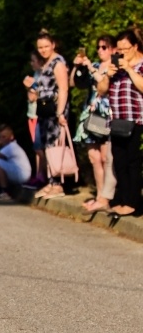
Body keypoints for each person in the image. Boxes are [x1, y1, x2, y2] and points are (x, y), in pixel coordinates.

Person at [96, 27, 143, 216]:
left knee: (133, 162)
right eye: (119, 50)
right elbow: (101, 90)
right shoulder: (114, 67)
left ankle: (134, 203)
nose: (122, 53)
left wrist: (130, 69)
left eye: (126, 49)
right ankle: (123, 200)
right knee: (119, 162)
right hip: (117, 122)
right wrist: (108, 74)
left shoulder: (140, 65)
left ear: (135, 46)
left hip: (137, 120)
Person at [72, 36, 116, 213]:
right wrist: (77, 67)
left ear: (113, 49)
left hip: (107, 114)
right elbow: (75, 84)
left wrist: (90, 67)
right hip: (91, 114)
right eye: (98, 47)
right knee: (94, 158)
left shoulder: (114, 67)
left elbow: (103, 85)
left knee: (106, 159)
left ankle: (107, 197)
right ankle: (100, 196)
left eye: (104, 47)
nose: (100, 50)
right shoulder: (95, 66)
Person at [31, 30, 69, 199]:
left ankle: (58, 183)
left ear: (53, 45)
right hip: (44, 110)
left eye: (46, 46)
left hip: (55, 110)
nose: (43, 50)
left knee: (55, 145)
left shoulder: (58, 63)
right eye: (40, 47)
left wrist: (60, 112)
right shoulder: (46, 63)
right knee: (47, 145)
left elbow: (63, 88)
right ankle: (51, 181)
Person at [0, 125, 32, 201]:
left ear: (11, 137)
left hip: (22, 175)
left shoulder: (11, 146)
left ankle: (5, 191)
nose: (1, 140)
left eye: (4, 137)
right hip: (16, 171)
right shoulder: (5, 147)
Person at [22, 52, 46, 189]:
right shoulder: (36, 75)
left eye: (33, 60)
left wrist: (32, 86)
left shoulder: (43, 75)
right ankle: (39, 175)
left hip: (39, 115)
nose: (31, 63)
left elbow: (39, 95)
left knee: (39, 148)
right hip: (31, 114)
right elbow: (30, 97)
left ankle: (44, 176)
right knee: (36, 148)